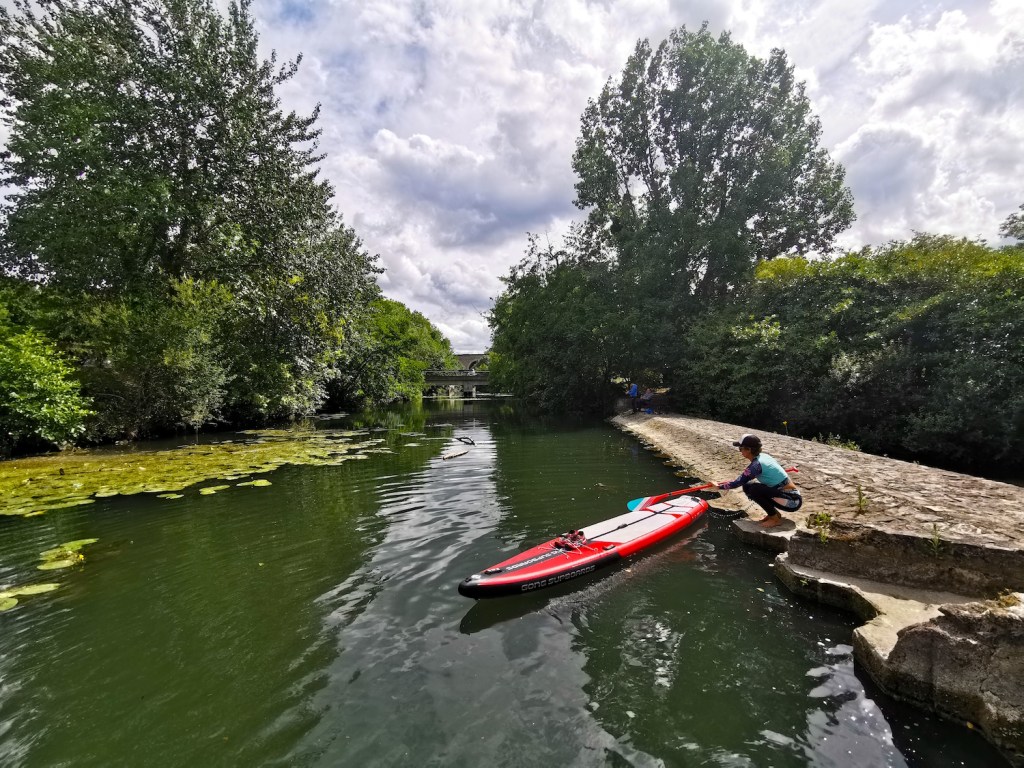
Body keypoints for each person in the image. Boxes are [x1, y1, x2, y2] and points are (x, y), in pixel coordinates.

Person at [716, 434, 801, 528]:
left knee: (755, 489)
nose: (740, 451)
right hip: (784, 496)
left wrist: (718, 487)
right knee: (748, 485)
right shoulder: (763, 457)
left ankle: (775, 519)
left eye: (741, 448)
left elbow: (737, 483)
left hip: (792, 502)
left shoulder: (756, 465)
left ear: (749, 449)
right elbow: (743, 480)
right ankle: (773, 514)